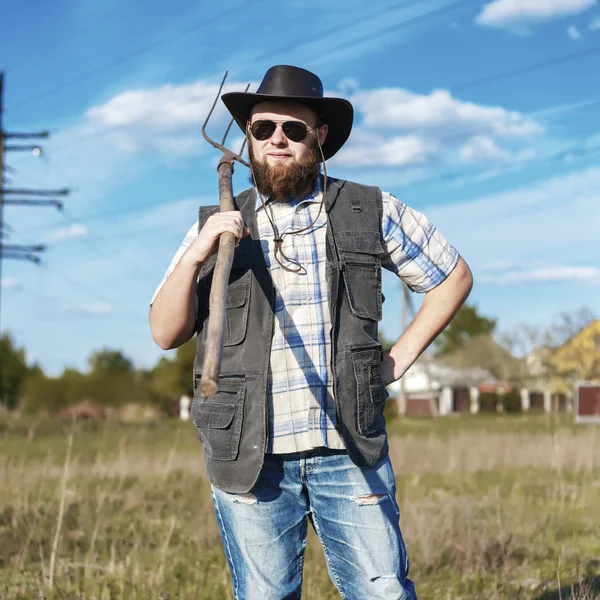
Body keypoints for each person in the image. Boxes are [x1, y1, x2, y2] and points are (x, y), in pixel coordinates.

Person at [150, 64, 472, 600]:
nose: (277, 139)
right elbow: (164, 332)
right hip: (249, 457)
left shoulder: (368, 209)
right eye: (263, 128)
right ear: (247, 137)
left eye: (294, 129)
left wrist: (392, 366)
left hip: (347, 450)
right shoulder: (217, 223)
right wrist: (198, 253)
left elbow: (452, 277)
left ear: (319, 137)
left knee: (384, 594)